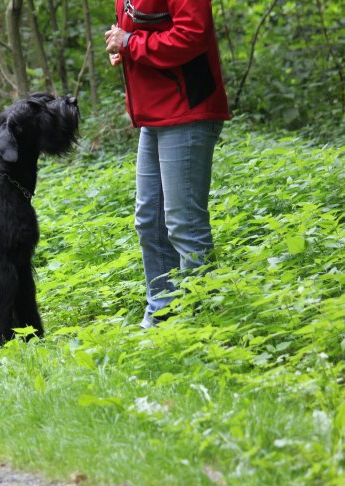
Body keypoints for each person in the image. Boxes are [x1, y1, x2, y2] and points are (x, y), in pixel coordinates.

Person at [104, 0, 230, 328]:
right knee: (149, 221)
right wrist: (124, 49)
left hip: (187, 110)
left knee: (185, 225)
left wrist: (132, 43)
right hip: (155, 114)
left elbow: (191, 35)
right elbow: (144, 27)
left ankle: (200, 324)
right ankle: (161, 318)